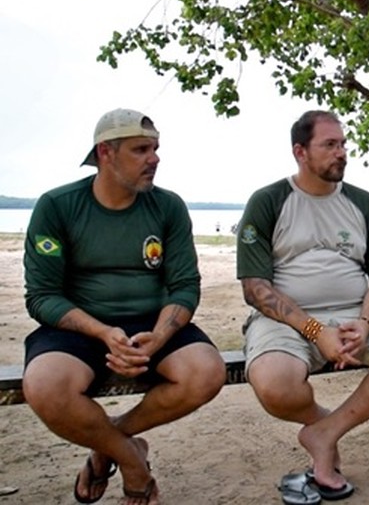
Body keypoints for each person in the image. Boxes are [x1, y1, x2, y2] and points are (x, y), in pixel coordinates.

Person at [22, 108, 226, 505]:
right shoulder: (58, 206)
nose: (155, 158)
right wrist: (102, 332)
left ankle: (108, 445)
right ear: (106, 153)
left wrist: (161, 335)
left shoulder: (168, 207)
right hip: (79, 327)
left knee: (206, 372)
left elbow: (185, 286)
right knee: (44, 387)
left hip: (153, 324)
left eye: (155, 148)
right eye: (141, 149)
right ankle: (132, 460)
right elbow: (42, 295)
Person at [236, 110, 369, 503]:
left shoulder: (361, 202)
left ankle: (325, 433)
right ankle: (319, 422)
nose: (342, 153)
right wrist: (315, 332)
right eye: (330, 145)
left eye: (343, 144)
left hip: (354, 312)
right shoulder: (268, 201)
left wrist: (365, 323)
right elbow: (255, 288)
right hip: (287, 320)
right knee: (275, 384)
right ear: (300, 151)